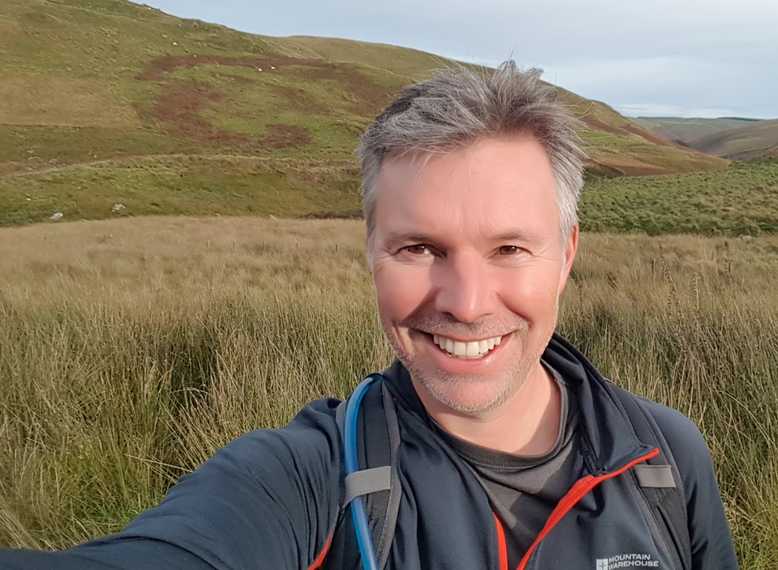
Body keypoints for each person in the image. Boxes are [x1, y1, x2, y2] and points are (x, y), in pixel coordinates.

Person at [1, 61, 737, 570]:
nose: (467, 302)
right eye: (420, 248)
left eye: (510, 247)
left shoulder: (665, 460)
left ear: (568, 253)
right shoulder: (311, 475)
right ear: (371, 252)